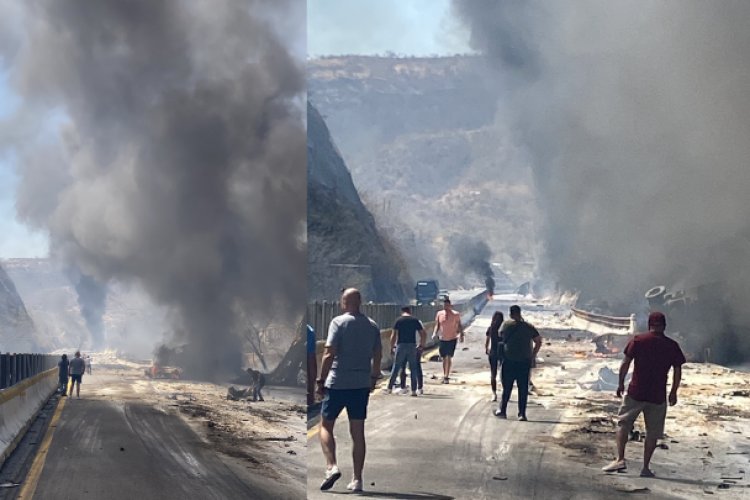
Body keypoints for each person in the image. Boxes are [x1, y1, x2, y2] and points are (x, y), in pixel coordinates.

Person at [602, 311, 685, 477]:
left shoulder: (638, 341)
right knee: (652, 432)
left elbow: (625, 363)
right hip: (658, 395)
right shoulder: (672, 345)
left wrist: (620, 383)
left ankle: (620, 459)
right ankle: (645, 467)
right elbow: (677, 370)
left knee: (624, 424)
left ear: (649, 325)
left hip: (636, 391)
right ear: (664, 326)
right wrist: (674, 392)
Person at [317, 288, 382, 493]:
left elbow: (329, 354)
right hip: (361, 384)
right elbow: (378, 354)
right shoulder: (372, 326)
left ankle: (331, 466)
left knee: (325, 426)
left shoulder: (338, 322)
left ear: (344, 302)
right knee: (357, 432)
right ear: (360, 302)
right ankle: (357, 480)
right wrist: (373, 377)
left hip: (337, 383)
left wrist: (321, 380)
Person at [494, 305, 541, 420]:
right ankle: (522, 414)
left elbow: (500, 336)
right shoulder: (528, 327)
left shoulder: (506, 325)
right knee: (523, 389)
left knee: (507, 388)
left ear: (511, 314)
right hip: (524, 362)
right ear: (520, 313)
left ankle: (502, 410)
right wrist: (533, 355)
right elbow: (538, 341)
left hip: (509, 361)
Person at [384, 306, 426, 396]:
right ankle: (414, 390)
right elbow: (423, 333)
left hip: (401, 345)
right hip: (412, 346)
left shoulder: (398, 320)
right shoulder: (415, 320)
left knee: (396, 367)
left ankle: (389, 388)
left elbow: (393, 335)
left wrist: (392, 347)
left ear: (402, 312)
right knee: (413, 368)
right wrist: (421, 345)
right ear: (409, 311)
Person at [432, 297, 464, 383]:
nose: (446, 307)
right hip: (442, 338)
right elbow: (437, 325)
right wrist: (434, 333)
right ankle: (444, 373)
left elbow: (459, 325)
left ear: (450, 306)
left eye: (447, 305)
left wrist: (461, 335)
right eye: (444, 305)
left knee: (448, 356)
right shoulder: (439, 314)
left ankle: (446, 375)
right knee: (443, 357)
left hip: (452, 338)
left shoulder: (455, 314)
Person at [484, 311, 504, 402]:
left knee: (493, 374)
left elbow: (487, 340)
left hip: (493, 352)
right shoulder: (504, 329)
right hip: (503, 353)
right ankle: (504, 392)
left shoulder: (491, 328)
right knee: (504, 374)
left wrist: (486, 349)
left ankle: (494, 393)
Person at [307, 324, 317, 406]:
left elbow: (311, 360)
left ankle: (310, 397)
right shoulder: (309, 331)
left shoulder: (309, 331)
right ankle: (311, 398)